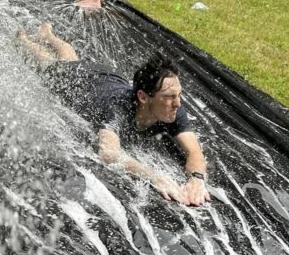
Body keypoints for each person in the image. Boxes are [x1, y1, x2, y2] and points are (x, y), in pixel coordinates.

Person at [15, 23, 209, 206]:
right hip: (79, 82)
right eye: (169, 96)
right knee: (50, 63)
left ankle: (47, 34)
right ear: (143, 97)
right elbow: (108, 153)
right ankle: (24, 39)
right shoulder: (117, 108)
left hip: (109, 79)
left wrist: (197, 179)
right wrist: (154, 176)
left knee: (73, 60)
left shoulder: (173, 108)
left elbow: (194, 152)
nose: (178, 103)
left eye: (178, 95)